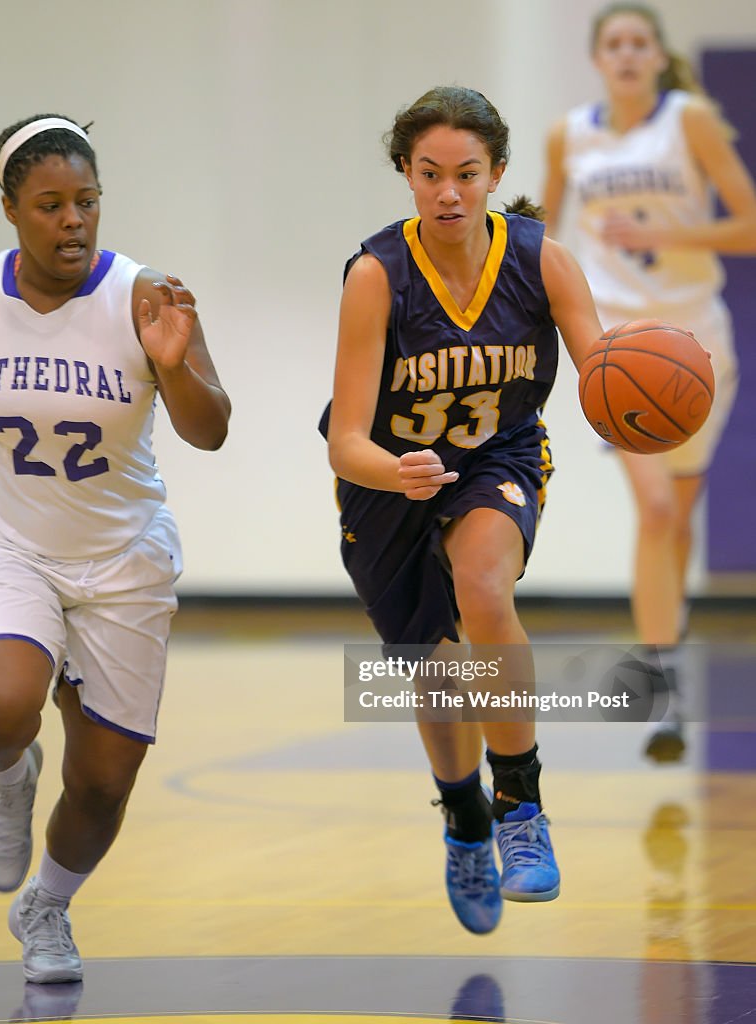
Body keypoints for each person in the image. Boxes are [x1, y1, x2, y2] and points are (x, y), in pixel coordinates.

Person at [0, 114, 230, 982]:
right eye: (52, 204)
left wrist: (174, 367)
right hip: (9, 541)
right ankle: (7, 776)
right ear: (10, 210)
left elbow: (210, 430)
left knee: (104, 781)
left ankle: (47, 907)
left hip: (123, 558)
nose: (74, 220)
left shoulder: (145, 295)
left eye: (88, 202)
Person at [320, 85, 606, 935]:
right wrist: (391, 468)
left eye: (466, 174)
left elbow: (602, 371)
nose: (448, 192)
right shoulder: (377, 275)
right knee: (437, 675)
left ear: (496, 174)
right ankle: (464, 816)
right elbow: (343, 439)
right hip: (392, 474)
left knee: (485, 588)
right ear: (406, 175)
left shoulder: (541, 259)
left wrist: (632, 410)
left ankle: (521, 810)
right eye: (429, 173)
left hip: (497, 457)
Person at [541, 3, 756, 762]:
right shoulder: (570, 134)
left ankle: (666, 641)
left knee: (680, 513)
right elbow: (541, 235)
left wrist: (666, 233)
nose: (627, 54)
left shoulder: (688, 120)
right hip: (620, 345)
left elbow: (749, 223)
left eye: (639, 43)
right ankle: (660, 688)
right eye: (613, 44)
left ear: (657, 56)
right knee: (657, 508)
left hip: (696, 340)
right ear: (597, 58)